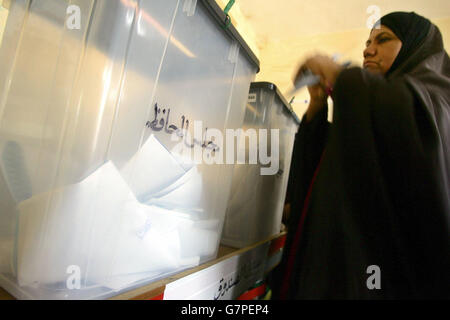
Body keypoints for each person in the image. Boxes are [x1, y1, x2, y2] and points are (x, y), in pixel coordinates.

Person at [272, 12, 450, 299]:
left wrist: (343, 76)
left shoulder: (437, 100)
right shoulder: (370, 109)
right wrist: (317, 107)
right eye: (367, 42)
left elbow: (406, 128)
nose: (368, 49)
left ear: (416, 47)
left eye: (383, 39)